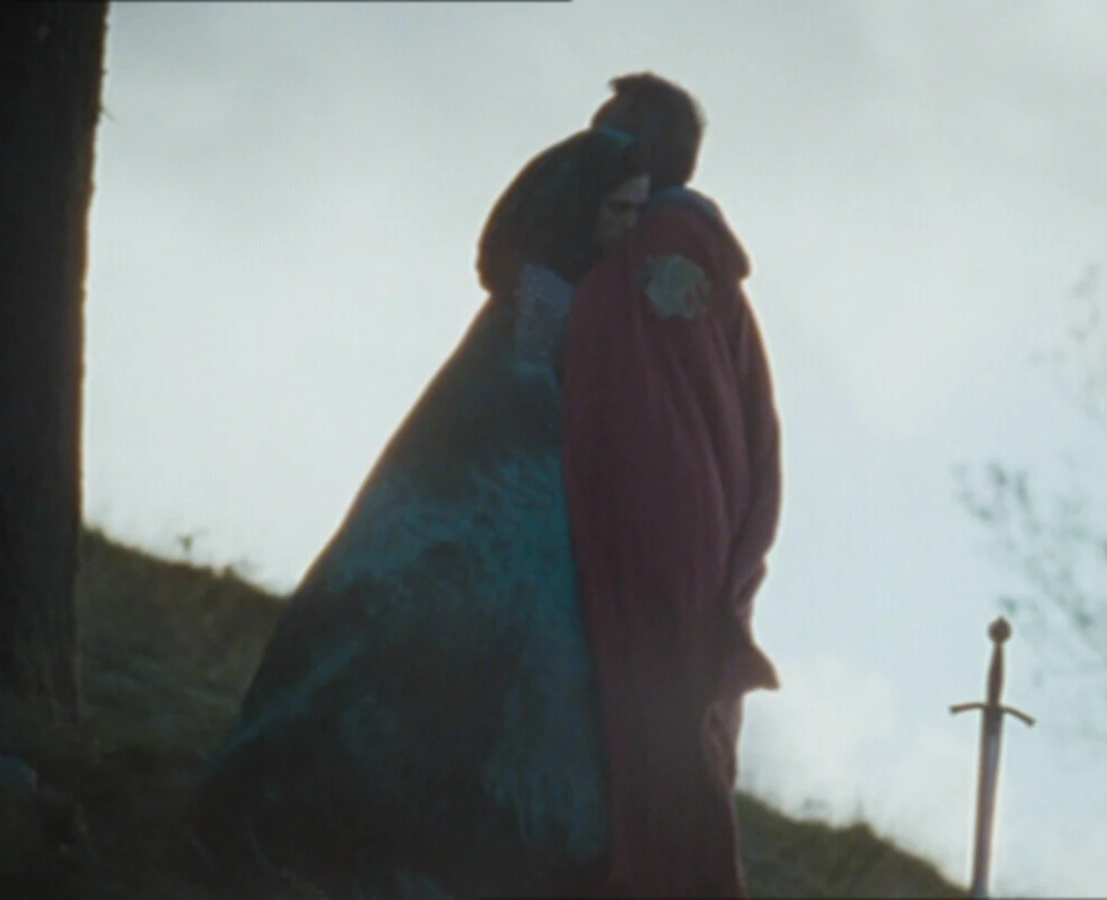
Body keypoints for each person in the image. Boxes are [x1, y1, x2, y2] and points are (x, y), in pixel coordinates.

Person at [191, 125, 649, 900]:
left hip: (525, 499)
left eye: (637, 210)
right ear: (582, 206)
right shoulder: (543, 289)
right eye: (618, 208)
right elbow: (523, 390)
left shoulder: (580, 284)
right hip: (482, 500)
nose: (628, 226)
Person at [563, 73, 784, 898]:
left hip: (659, 535)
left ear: (648, 151)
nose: (591, 150)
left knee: (655, 731)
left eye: (608, 133)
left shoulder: (656, 249)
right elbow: (758, 436)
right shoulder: (708, 273)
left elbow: (648, 410)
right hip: (701, 539)